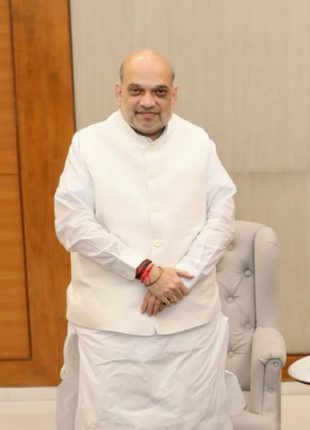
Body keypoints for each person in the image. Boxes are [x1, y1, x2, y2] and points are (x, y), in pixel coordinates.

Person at [54, 49, 241, 429]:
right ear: (118, 91)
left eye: (159, 92)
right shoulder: (88, 144)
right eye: (136, 90)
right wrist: (145, 271)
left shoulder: (198, 141)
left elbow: (222, 217)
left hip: (188, 325)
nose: (147, 102)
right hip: (112, 330)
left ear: (174, 94)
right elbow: (73, 223)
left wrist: (180, 277)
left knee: (196, 421)